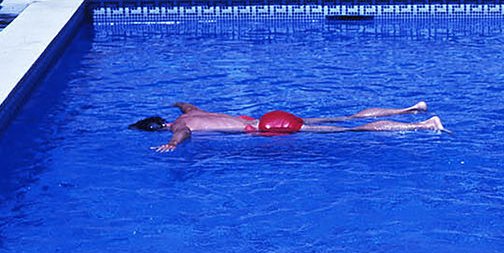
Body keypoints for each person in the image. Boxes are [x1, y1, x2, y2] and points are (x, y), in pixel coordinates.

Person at [130, 100, 447, 151]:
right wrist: (178, 103)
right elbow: (188, 108)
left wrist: (172, 143)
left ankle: (423, 125)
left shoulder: (178, 127)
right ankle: (413, 108)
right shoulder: (191, 112)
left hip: (269, 128)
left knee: (351, 131)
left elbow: (183, 132)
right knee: (348, 118)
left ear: (160, 127)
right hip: (267, 116)